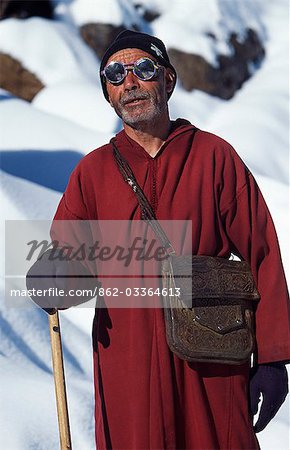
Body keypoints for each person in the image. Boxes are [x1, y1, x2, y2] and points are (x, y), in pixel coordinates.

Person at [27, 30, 290, 449]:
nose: (129, 82)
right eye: (115, 75)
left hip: (210, 361)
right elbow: (66, 265)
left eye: (143, 69)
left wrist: (274, 359)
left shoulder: (213, 157)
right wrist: (50, 280)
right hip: (128, 366)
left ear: (168, 80)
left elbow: (264, 255)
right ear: (108, 96)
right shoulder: (91, 174)